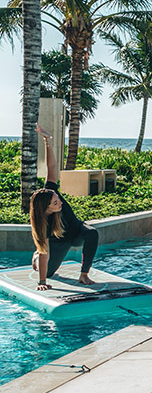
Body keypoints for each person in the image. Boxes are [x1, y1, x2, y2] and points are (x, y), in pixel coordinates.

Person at [30, 124, 99, 290]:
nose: (60, 202)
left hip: (75, 230)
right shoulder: (43, 225)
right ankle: (35, 258)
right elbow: (46, 254)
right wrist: (42, 283)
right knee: (47, 272)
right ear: (46, 209)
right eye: (55, 203)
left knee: (92, 233)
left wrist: (47, 140)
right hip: (58, 243)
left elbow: (52, 167)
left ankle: (84, 275)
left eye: (57, 198)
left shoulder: (51, 191)